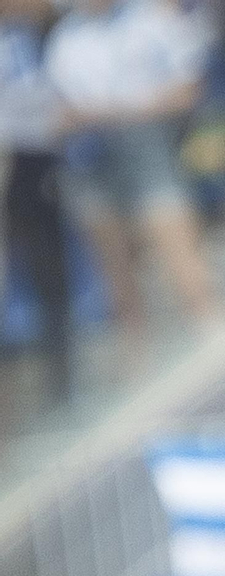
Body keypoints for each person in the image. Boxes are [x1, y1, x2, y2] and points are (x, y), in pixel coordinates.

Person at [44, 0, 220, 332]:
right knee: (117, 273)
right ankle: (137, 356)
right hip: (93, 158)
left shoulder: (151, 16)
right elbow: (57, 115)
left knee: (180, 252)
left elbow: (191, 88)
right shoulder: (64, 39)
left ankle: (211, 328)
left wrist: (121, 113)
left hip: (150, 145)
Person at [0, 0, 72, 407]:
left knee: (50, 275)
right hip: (15, 158)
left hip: (34, 158)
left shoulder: (42, 34)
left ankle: (59, 380)